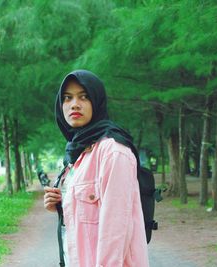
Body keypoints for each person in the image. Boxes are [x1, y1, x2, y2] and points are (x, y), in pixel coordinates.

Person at [44, 70, 149, 267]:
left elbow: (116, 228)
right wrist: (59, 204)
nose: (74, 104)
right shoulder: (78, 153)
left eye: (84, 96)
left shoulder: (113, 151)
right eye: (67, 98)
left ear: (97, 101)